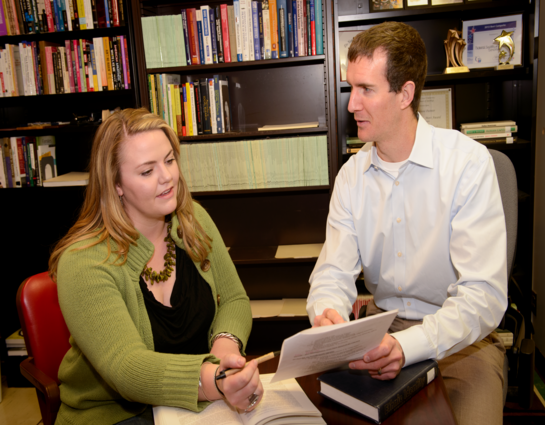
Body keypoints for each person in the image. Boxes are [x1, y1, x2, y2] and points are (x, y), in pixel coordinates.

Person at [307, 22, 507, 425]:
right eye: (351, 88)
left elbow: (483, 297)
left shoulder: (468, 165)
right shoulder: (351, 176)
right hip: (377, 332)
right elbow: (332, 271)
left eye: (366, 89)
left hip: (461, 339)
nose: (351, 105)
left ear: (406, 94)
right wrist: (328, 310)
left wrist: (409, 345)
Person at [49, 108, 263, 424]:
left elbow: (234, 300)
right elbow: (126, 368)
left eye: (169, 160)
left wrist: (223, 356)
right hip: (114, 416)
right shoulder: (83, 262)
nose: (167, 177)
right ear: (116, 184)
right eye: (147, 171)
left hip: (195, 407)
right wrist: (213, 380)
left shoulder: (194, 220)